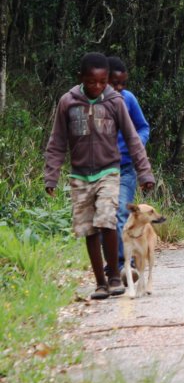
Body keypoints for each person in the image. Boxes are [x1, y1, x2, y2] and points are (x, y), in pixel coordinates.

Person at [44, 52, 155, 300]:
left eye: (102, 82)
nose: (97, 87)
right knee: (89, 228)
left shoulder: (115, 102)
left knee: (107, 218)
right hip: (80, 175)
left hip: (109, 171)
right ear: (81, 78)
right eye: (91, 82)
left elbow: (133, 139)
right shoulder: (68, 102)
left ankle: (115, 275)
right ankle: (100, 282)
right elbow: (57, 141)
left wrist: (144, 172)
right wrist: (51, 175)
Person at [107, 56, 151, 278]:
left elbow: (143, 128)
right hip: (99, 170)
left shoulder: (128, 99)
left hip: (125, 168)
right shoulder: (94, 103)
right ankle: (112, 263)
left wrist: (136, 142)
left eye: (123, 84)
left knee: (121, 213)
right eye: (114, 83)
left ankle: (127, 263)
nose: (119, 88)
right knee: (104, 218)